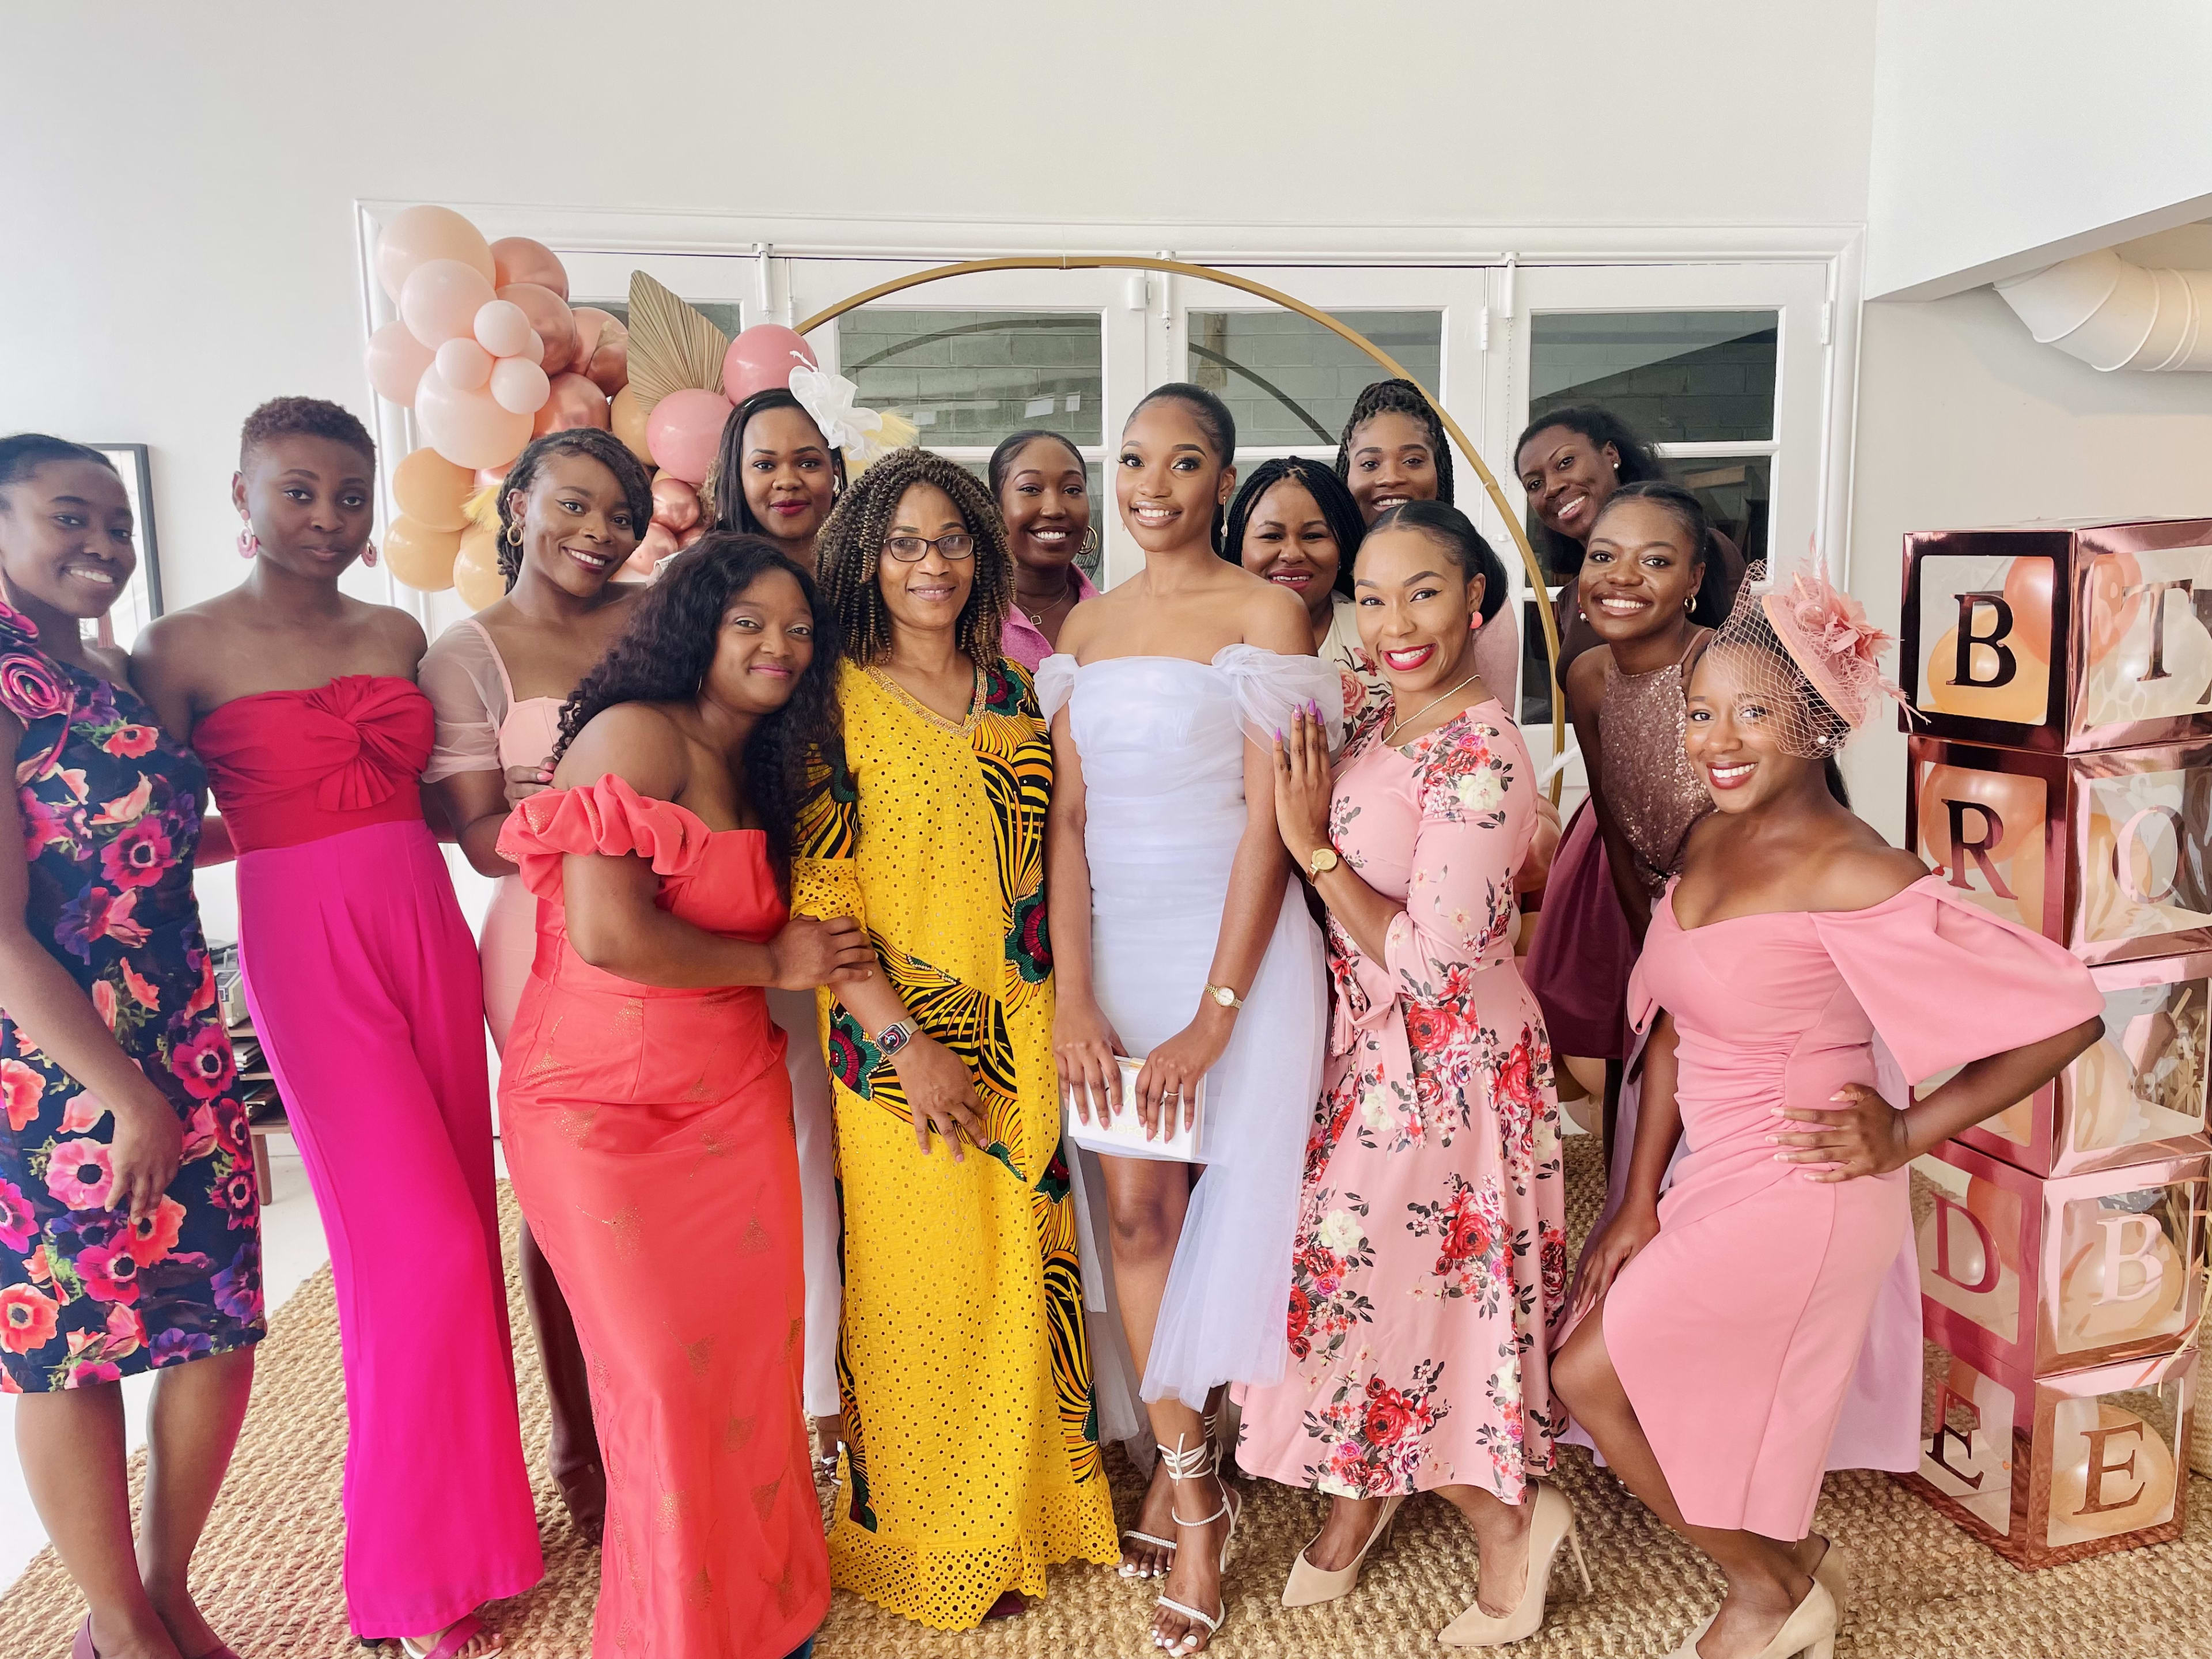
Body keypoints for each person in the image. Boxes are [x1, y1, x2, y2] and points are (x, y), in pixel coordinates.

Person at [1552, 561, 2103, 1659]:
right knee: (1618, 1370)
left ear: (1818, 722)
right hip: (1708, 1173)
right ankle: (1788, 1567)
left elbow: (2068, 1013)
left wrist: (1905, 1131)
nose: (1717, 740)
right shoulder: (1711, 837)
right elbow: (1671, 1030)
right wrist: (1634, 1205)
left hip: (1805, 1188)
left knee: (1588, 1376)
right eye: (1702, 714)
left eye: (1752, 712)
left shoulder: (1862, 871)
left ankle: (1769, 1592)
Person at [134, 399, 539, 1659]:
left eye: (350, 496)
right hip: (305, 948)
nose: (327, 517)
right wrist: (268, 829)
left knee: (463, 1229)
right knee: (413, 1248)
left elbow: (436, 804)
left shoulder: (396, 628)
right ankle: (410, 1578)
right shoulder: (177, 646)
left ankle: (472, 1543)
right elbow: (142, 824)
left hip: (424, 926)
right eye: (298, 491)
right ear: (241, 497)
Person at [496, 533, 868, 1659]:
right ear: (692, 626)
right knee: (659, 1378)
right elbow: (611, 934)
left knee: (750, 1363)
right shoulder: (631, 735)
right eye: (749, 621)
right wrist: (779, 965)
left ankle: (770, 1609)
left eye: (799, 628)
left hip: (730, 1097)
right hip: (594, 1109)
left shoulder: (764, 764)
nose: (779, 646)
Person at [1236, 501, 1576, 1647]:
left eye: (1423, 592)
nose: (1396, 623)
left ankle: (1509, 1527)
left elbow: (1434, 967)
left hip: (1450, 1073)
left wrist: (1314, 849)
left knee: (1385, 1306)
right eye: (1372, 599)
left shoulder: (1480, 753)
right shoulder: (1381, 716)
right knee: (1358, 1299)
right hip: (1369, 1060)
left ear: (1477, 600)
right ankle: (1363, 1491)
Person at [790, 448, 1119, 1627]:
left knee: (1026, 1279)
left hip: (1022, 1023)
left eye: (951, 541)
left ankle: (1039, 1509)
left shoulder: (1015, 692)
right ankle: (936, 1538)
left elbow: (1057, 862)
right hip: (897, 1044)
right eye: (904, 544)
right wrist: (904, 1048)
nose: (931, 564)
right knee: (921, 1290)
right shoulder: (827, 700)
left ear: (981, 553)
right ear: (866, 560)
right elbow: (822, 906)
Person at [1043, 384, 1338, 1654]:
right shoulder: (1086, 624)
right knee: (1131, 1212)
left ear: (1223, 479)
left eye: (1184, 461)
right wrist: (1073, 993)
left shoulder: (1268, 614)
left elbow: (1274, 831)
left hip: (1240, 953)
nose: (1151, 484)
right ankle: (1195, 1479)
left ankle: (1197, 1453)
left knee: (1224, 1210)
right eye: (1132, 460)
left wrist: (1216, 1019)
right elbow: (1065, 821)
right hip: (1112, 953)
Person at [0, 436, 263, 1659]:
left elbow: (134, 835)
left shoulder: (103, 666)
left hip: (180, 1023)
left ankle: (167, 1589)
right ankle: (118, 1624)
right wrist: (120, 1095)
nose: (104, 547)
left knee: (216, 1318)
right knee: (72, 1340)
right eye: (70, 519)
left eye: (119, 526)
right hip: (54, 1064)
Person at [420, 426, 652, 1543]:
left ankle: (664, 1421)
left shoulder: (657, 621)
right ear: (516, 504)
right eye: (573, 505)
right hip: (539, 938)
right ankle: (579, 1437)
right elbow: (473, 833)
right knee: (568, 1193)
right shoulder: (469, 651)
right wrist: (603, 829)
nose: (598, 534)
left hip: (669, 916)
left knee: (670, 1183)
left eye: (619, 515)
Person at [708, 387, 851, 1467]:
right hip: (754, 895)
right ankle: (799, 1406)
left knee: (852, 1154)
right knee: (779, 1159)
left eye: (809, 460)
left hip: (866, 891)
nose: (789, 480)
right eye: (767, 463)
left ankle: (849, 1385)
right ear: (732, 475)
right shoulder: (704, 591)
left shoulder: (861, 584)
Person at [1333, 380, 1519, 704]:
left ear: (1440, 470)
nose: (1391, 477)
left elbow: (1486, 728)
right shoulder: (1324, 572)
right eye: (1370, 464)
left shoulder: (1474, 578)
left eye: (1413, 461)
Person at [1221, 457, 1372, 724]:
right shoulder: (1210, 636)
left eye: (1313, 536)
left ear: (1342, 547)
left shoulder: (1378, 633)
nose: (1292, 554)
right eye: (1271, 536)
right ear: (1240, 547)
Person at [991, 429, 1099, 668]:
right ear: (995, 507)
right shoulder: (960, 620)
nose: (1054, 509)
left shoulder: (1116, 617)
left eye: (1072, 490)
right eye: (1031, 489)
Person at [711, 389, 846, 574]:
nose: (787, 481)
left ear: (835, 471)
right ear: (738, 476)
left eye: (808, 463)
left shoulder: (882, 567)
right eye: (764, 466)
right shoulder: (691, 578)